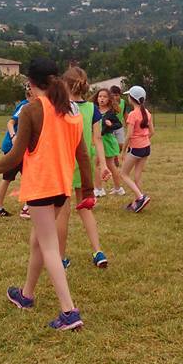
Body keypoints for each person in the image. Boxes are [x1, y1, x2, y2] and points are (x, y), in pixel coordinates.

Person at [0, 58, 94, 331]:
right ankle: (26, 295)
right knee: (38, 240)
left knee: (49, 247)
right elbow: (83, 155)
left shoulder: (31, 110)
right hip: (61, 190)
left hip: (42, 188)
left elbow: (15, 155)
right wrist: (88, 190)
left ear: (31, 83)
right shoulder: (71, 110)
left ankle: (69, 311)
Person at [56, 66, 110, 269]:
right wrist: (103, 165)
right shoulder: (92, 109)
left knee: (63, 213)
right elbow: (98, 139)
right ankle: (98, 251)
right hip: (84, 165)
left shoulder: (60, 108)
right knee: (85, 208)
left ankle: (60, 258)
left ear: (64, 84)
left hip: (64, 164)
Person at [0, 86, 32, 217]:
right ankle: (27, 208)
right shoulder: (25, 106)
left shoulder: (32, 106)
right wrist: (14, 137)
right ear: (30, 95)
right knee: (28, 177)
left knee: (9, 178)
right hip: (14, 149)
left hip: (18, 148)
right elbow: (10, 122)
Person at [119, 85, 153, 212]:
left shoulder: (132, 115)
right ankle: (137, 202)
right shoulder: (147, 113)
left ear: (132, 98)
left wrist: (123, 151)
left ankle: (140, 197)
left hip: (136, 149)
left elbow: (129, 135)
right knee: (137, 175)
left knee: (124, 174)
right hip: (146, 147)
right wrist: (144, 139)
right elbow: (152, 132)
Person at [94, 88, 126, 197]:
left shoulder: (110, 113)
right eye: (100, 96)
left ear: (109, 99)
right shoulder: (95, 110)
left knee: (110, 165)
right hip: (97, 140)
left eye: (104, 97)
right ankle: (99, 188)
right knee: (96, 164)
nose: (102, 99)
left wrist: (111, 125)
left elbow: (119, 124)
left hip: (107, 140)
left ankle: (117, 188)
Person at [110, 85, 128, 155]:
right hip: (110, 127)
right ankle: (114, 157)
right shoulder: (109, 103)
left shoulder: (123, 102)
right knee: (112, 144)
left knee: (121, 145)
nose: (115, 97)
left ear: (120, 95)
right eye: (113, 95)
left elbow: (125, 114)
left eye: (116, 95)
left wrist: (127, 124)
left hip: (119, 126)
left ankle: (116, 155)